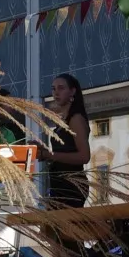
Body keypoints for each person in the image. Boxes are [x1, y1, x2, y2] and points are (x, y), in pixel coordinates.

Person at [35, 74, 91, 208]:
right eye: (53, 89)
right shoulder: (64, 119)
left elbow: (84, 156)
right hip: (59, 183)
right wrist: (44, 152)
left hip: (71, 185)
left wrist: (48, 155)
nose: (56, 93)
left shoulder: (76, 118)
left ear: (72, 91)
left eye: (61, 88)